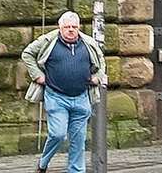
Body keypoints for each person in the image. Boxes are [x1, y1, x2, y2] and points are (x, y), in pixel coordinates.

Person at [18, 11, 104, 173]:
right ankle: (43, 163)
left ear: (79, 27)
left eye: (74, 27)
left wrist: (98, 77)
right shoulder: (48, 41)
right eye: (67, 27)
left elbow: (101, 61)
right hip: (56, 96)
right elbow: (27, 54)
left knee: (78, 141)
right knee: (57, 134)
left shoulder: (89, 43)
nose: (71, 30)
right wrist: (37, 75)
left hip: (81, 97)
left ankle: (76, 171)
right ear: (60, 27)